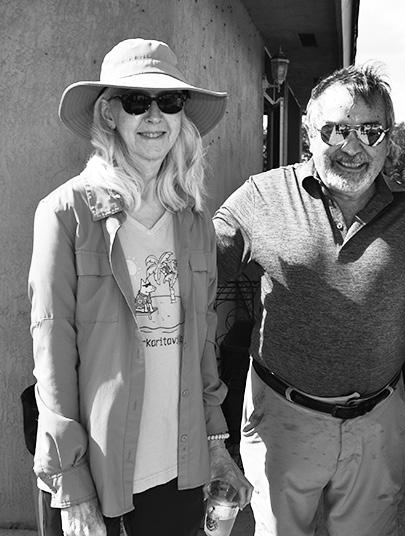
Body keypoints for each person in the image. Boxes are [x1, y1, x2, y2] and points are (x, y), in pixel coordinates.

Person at [28, 38, 252, 536]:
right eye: (136, 102)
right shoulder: (66, 213)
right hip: (100, 473)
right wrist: (71, 485)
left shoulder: (194, 222)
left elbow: (203, 346)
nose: (154, 116)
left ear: (181, 115)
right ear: (110, 114)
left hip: (181, 470)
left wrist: (217, 447)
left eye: (169, 101)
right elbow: (52, 351)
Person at [213, 65, 405, 535]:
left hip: (378, 423)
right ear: (309, 135)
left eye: (370, 131)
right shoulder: (261, 197)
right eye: (335, 130)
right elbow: (193, 272)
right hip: (282, 418)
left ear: (388, 141)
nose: (352, 147)